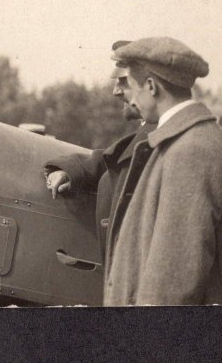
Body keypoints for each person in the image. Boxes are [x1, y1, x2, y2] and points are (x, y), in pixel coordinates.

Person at [100, 37, 222, 306]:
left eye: (130, 84)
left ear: (151, 86)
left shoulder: (188, 152)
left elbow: (172, 280)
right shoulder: (209, 138)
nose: (128, 98)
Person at [43, 41, 145, 254]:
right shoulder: (147, 134)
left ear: (148, 85)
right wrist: (73, 170)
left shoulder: (160, 138)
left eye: (123, 81)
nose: (116, 91)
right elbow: (118, 156)